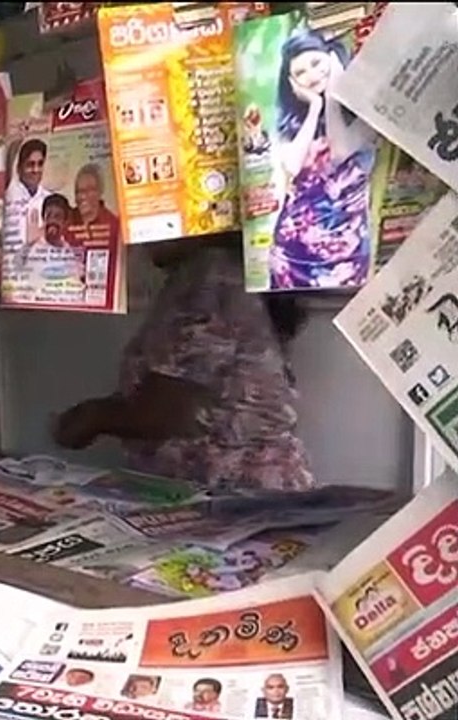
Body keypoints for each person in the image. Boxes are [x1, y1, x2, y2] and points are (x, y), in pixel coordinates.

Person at [52, 235, 315, 491]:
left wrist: (95, 417)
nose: (142, 236)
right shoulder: (212, 271)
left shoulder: (211, 274)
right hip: (231, 486)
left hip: (233, 492)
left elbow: (173, 410)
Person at [270, 30, 375, 289]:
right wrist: (314, 108)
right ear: (292, 83)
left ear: (333, 58)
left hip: (346, 246)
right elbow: (292, 165)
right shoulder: (291, 124)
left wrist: (332, 98)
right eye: (300, 73)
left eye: (316, 63)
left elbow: (340, 150)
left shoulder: (365, 110)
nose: (311, 75)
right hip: (291, 251)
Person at [6, 139, 58, 244]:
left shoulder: (50, 200)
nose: (36, 170)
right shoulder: (8, 195)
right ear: (19, 168)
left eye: (40, 164)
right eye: (30, 164)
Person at [69, 163, 121, 247]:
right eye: (79, 191)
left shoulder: (113, 225)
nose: (82, 196)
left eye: (88, 190)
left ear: (99, 191)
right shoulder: (67, 221)